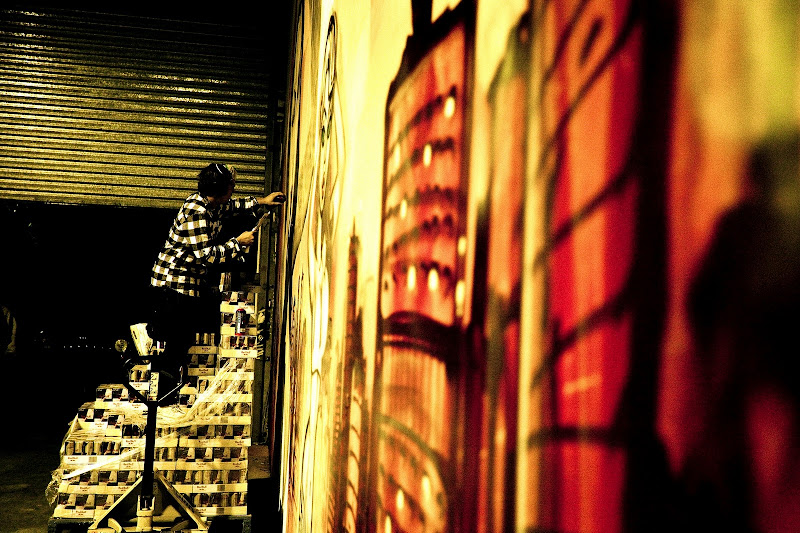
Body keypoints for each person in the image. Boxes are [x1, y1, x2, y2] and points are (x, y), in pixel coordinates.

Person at [147, 163, 285, 385]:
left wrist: (261, 201)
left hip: (185, 284)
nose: (233, 189)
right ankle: (163, 393)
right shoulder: (197, 211)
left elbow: (231, 206)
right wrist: (237, 243)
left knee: (182, 341)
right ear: (221, 190)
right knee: (176, 343)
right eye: (231, 186)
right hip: (173, 285)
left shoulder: (211, 204)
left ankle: (168, 388)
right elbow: (206, 256)